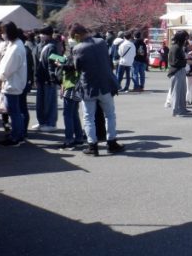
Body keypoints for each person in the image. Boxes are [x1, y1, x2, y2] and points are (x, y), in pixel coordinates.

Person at [69, 23, 124, 156]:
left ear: (77, 35)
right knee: (110, 114)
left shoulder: (77, 48)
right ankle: (111, 143)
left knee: (88, 117)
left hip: (88, 86)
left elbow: (77, 67)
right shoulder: (101, 42)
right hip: (105, 84)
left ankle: (92, 146)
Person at [0, 21, 28, 146]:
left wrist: (0, 78)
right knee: (15, 112)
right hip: (13, 83)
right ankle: (18, 135)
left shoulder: (15, 47)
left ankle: (16, 137)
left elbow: (8, 68)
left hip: (12, 84)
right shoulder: (15, 44)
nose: (2, 34)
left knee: (14, 112)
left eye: (3, 32)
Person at [32, 26, 60, 131]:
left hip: (49, 79)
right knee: (40, 103)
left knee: (50, 102)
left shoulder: (52, 46)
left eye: (43, 34)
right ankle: (42, 122)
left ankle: (51, 124)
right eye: (41, 33)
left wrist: (52, 77)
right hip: (40, 77)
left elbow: (54, 63)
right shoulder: (40, 45)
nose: (41, 35)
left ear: (48, 34)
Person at [168, 30, 192, 117]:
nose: (186, 40)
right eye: (185, 38)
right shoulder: (175, 48)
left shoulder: (178, 47)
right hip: (176, 71)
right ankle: (175, 110)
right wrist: (186, 61)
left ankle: (182, 108)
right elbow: (174, 62)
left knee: (182, 91)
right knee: (176, 92)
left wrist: (185, 61)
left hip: (180, 70)